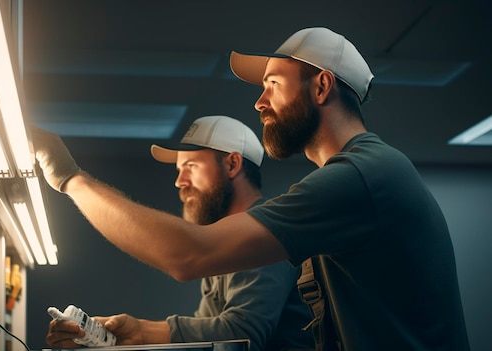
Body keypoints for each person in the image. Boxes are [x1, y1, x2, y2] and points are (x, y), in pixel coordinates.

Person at [35, 27, 470, 350]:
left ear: (321, 85)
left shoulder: (361, 176)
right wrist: (140, 331)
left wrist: (71, 179)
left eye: (273, 84)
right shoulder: (359, 174)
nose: (260, 103)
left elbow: (189, 255)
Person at [46, 115, 314, 351]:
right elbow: (206, 332)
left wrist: (142, 331)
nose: (179, 181)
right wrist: (124, 335)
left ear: (232, 165)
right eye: (179, 170)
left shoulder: (263, 236)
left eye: (192, 167)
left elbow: (243, 336)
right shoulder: (223, 245)